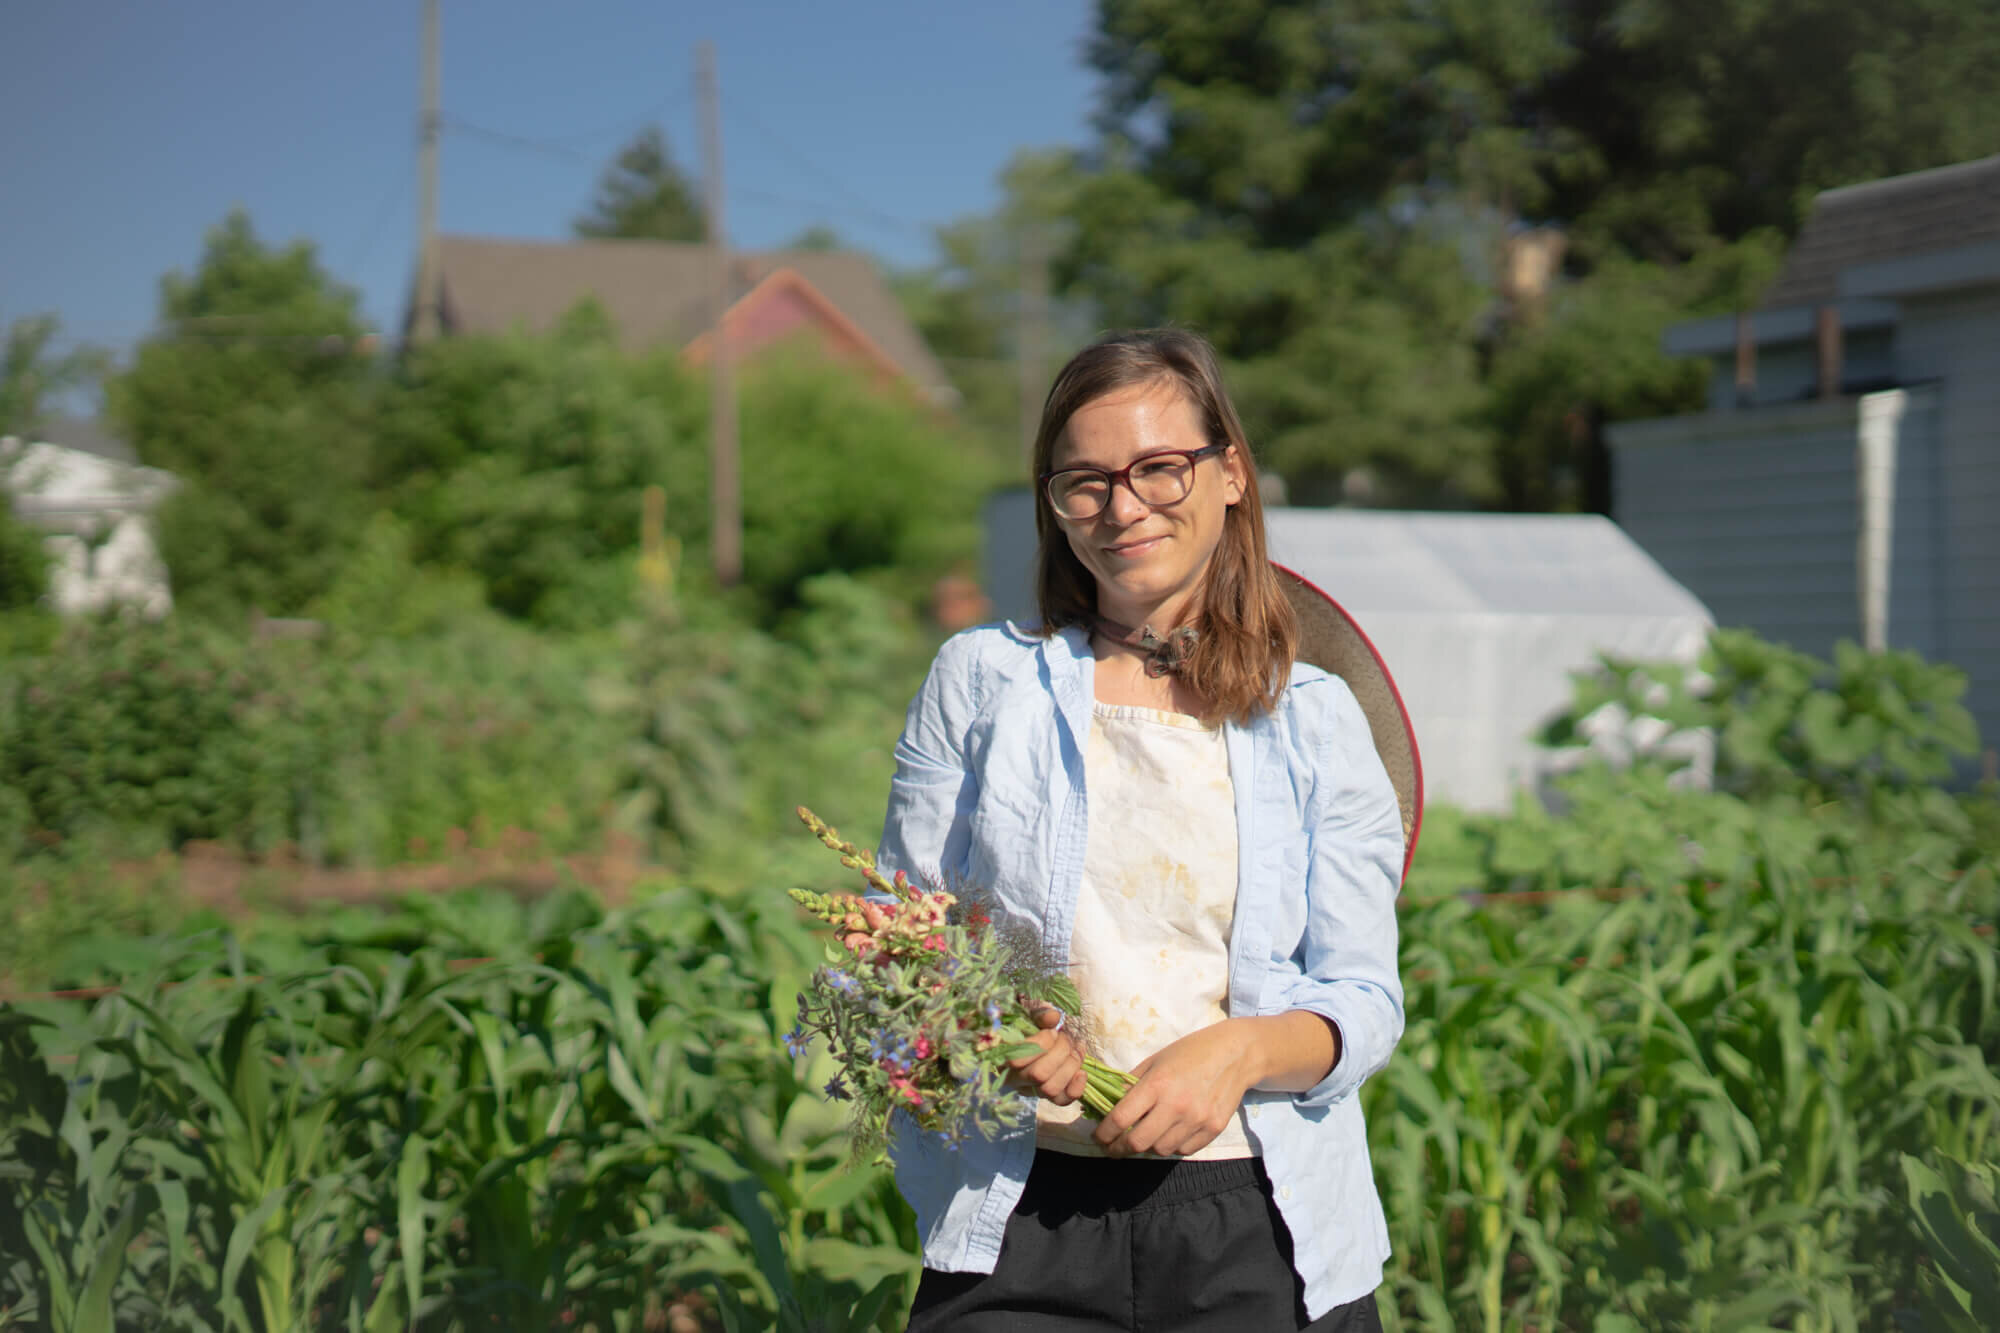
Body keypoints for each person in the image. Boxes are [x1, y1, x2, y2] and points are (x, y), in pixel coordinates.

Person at [874, 328, 1405, 1331]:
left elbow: (1362, 1000)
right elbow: (900, 938)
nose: (1122, 507)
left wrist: (1240, 1051)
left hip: (1255, 1222)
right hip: (1020, 1213)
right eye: (1083, 481)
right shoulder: (982, 684)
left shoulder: (1315, 715)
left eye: (1159, 468)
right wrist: (985, 1034)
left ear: (1231, 473)